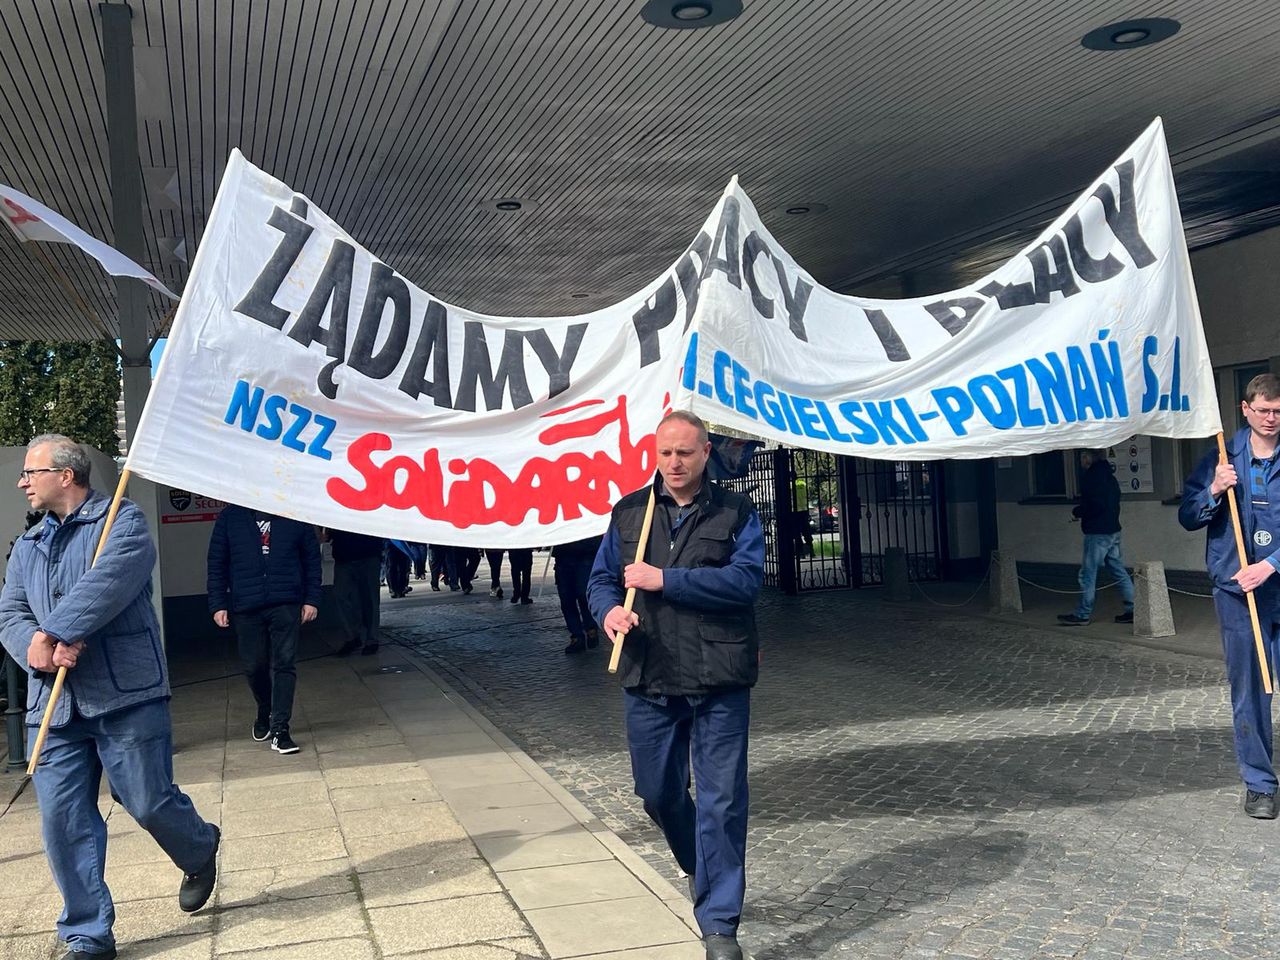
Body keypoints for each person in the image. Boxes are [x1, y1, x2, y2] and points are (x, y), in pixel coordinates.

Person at [0, 434, 220, 958]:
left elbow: (108, 583)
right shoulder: (28, 546)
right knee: (62, 820)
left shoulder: (123, 522)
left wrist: (56, 632)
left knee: (146, 801)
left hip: (125, 694)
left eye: (31, 472)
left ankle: (198, 845)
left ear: (66, 474)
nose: (22, 482)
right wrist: (38, 648)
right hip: (54, 704)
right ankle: (87, 933)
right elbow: (9, 612)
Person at [587, 411, 764, 960]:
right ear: (655, 453)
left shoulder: (736, 511)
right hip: (650, 676)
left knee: (722, 801)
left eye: (685, 452)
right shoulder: (630, 513)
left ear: (706, 452)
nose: (675, 463)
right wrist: (609, 612)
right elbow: (598, 580)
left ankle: (719, 925)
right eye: (666, 453)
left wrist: (668, 579)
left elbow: (745, 582)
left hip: (719, 679)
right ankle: (698, 859)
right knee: (658, 792)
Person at [1181, 373, 1280, 819]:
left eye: (1278, 411)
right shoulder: (1221, 458)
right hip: (1237, 592)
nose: (1272, 418)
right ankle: (1260, 785)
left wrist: (1272, 564)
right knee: (1251, 689)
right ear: (1246, 410)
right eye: (1264, 410)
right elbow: (1188, 515)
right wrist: (1215, 490)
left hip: (1274, 579)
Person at [207, 504, 321, 755]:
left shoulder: (294, 512)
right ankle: (264, 707)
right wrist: (217, 604)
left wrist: (312, 599)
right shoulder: (231, 517)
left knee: (285, 663)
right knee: (253, 666)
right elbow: (217, 562)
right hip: (247, 605)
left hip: (286, 602)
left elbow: (311, 558)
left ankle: (280, 729)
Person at [1057, 448, 1135, 626]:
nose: (1081, 461)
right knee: (1118, 571)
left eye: (1082, 456)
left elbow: (1093, 505)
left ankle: (1082, 614)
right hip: (1113, 529)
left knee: (1088, 574)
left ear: (1088, 457)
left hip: (1097, 532)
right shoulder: (1110, 477)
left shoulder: (1092, 478)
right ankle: (1134, 608)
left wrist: (1077, 511)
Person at [325, 528, 384, 656]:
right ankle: (352, 636)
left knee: (370, 599)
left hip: (368, 552)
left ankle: (371, 639)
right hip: (344, 555)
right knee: (340, 595)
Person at [554, 535, 603, 654]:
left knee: (584, 594)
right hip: (563, 555)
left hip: (585, 553)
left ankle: (591, 628)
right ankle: (577, 636)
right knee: (566, 599)